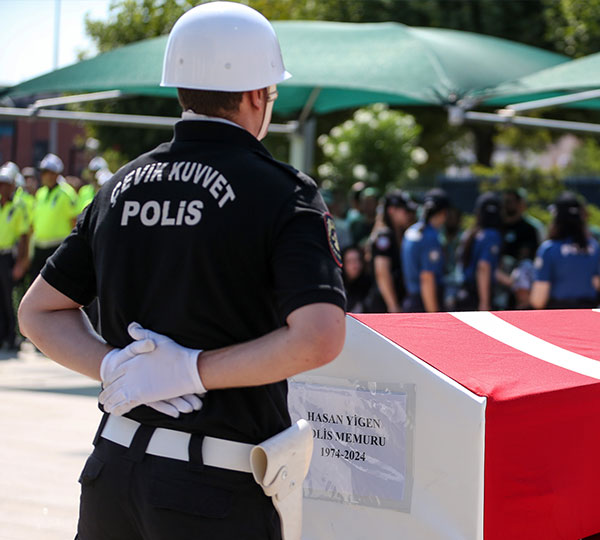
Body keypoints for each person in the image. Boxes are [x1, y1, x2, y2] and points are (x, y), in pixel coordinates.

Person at [17, 3, 346, 539]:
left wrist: (115, 368)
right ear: (253, 95)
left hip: (112, 474)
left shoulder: (118, 186)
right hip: (213, 488)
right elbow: (319, 337)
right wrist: (192, 370)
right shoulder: (282, 191)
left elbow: (38, 312)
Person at [530, 192, 600, 309]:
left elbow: (538, 300)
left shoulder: (549, 249)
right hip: (588, 313)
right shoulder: (594, 247)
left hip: (558, 315)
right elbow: (596, 284)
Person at [29, 153, 78, 281]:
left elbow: (74, 222)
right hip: (39, 248)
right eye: (43, 172)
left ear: (56, 174)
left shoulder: (67, 194)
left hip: (57, 247)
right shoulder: (40, 193)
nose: (44, 175)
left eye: (48, 172)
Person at [366, 190, 416, 313]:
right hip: (384, 306)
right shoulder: (384, 236)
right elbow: (382, 272)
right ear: (391, 210)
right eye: (405, 211)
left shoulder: (396, 235)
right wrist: (393, 305)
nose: (408, 215)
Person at [401, 188, 448, 312]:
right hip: (424, 303)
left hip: (411, 299)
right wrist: (433, 316)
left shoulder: (412, 230)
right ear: (443, 213)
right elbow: (427, 277)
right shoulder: (430, 236)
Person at [0, 163, 30, 350]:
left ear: (12, 185)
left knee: (8, 297)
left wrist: (21, 262)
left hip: (8, 256)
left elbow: (24, 237)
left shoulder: (19, 207)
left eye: (5, 183)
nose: (2, 187)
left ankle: (12, 336)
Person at [455, 192, 501, 311]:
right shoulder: (491, 235)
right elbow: (483, 267)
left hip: (464, 293)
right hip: (477, 295)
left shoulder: (470, 233)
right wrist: (484, 302)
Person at [342, 245, 372, 313]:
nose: (354, 265)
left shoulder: (369, 286)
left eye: (357, 260)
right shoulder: (339, 288)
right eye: (349, 261)